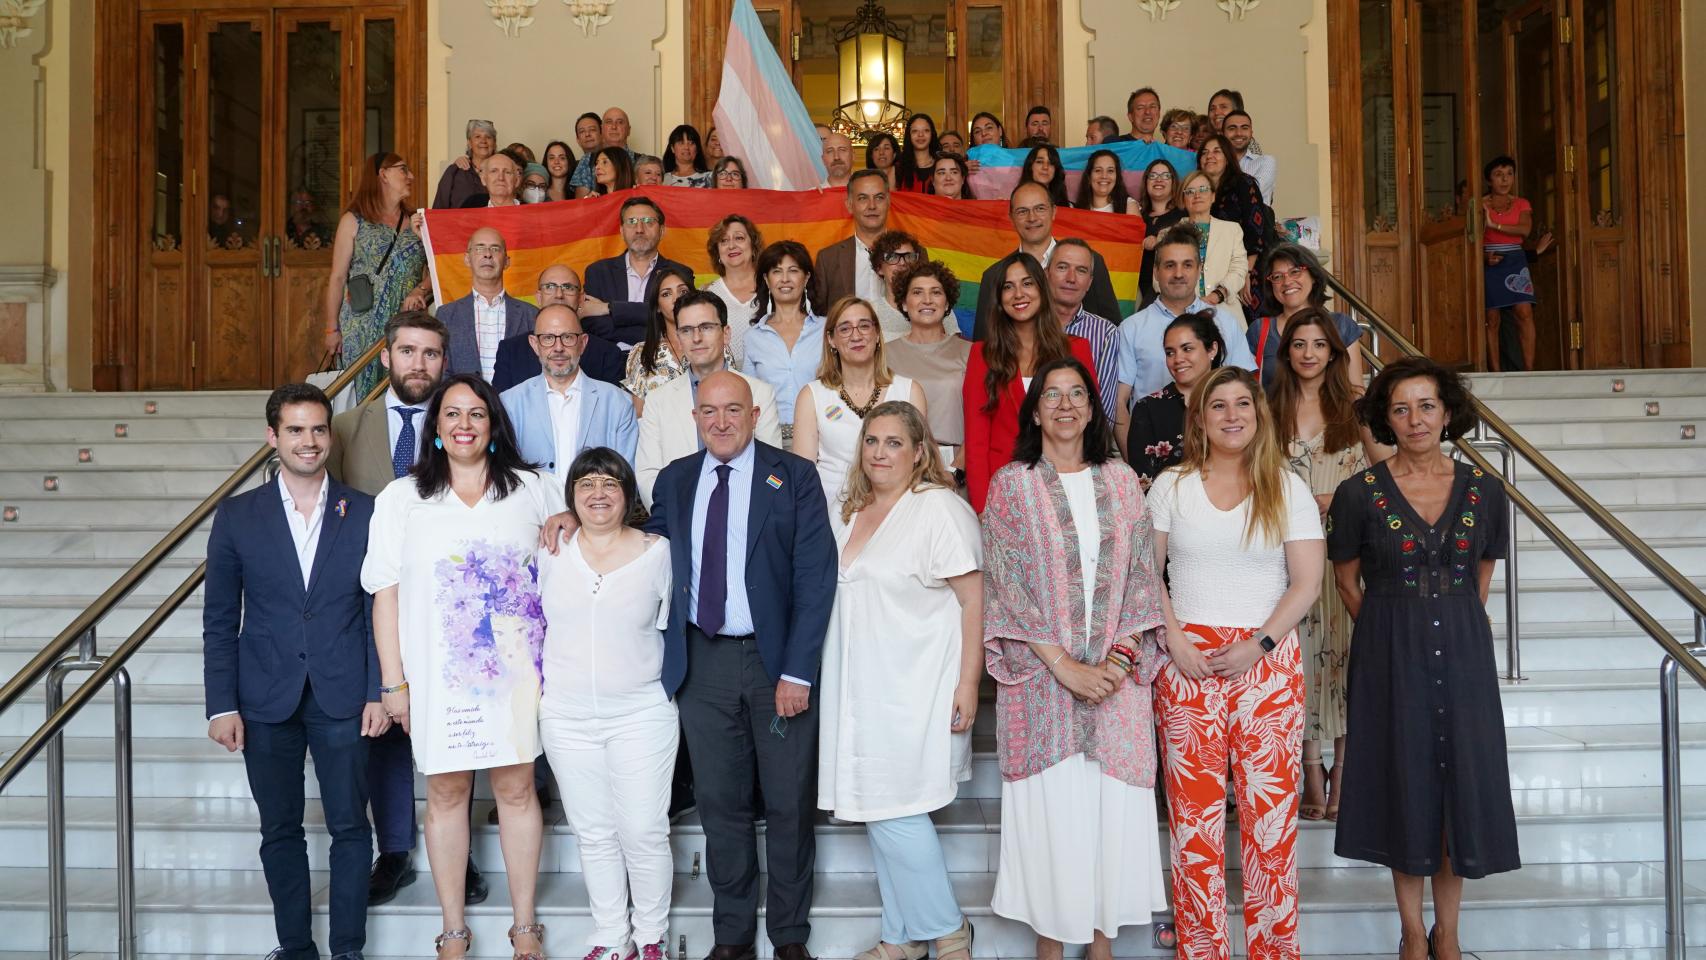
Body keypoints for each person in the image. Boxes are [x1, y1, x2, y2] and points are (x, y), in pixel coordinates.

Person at [362, 375, 562, 960]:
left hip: (520, 676)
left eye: (476, 413)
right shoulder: (402, 498)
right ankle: (452, 929)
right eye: (452, 414)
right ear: (436, 427)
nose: (464, 424)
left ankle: (525, 926)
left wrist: (569, 520)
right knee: (446, 794)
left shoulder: (535, 488)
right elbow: (386, 594)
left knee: (518, 789)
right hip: (436, 677)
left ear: (493, 424)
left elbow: (570, 556)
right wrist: (393, 682)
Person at [1329, 356, 1520, 960]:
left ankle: (1450, 933)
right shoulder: (1358, 494)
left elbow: (1481, 575)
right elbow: (1346, 581)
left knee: (1457, 785)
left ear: (1447, 412)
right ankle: (1413, 932)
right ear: (1385, 418)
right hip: (1388, 653)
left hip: (1463, 650)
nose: (1415, 420)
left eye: (1427, 406)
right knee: (1402, 784)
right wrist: (1391, 628)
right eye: (1401, 408)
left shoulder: (1486, 490)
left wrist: (1448, 618)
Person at [642, 369, 837, 960]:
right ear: (695, 418)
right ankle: (731, 936)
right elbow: (643, 551)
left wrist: (798, 672)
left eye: (733, 410)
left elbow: (815, 577)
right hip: (702, 665)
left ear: (755, 416)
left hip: (776, 668)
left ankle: (789, 936)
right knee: (721, 804)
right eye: (709, 412)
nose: (720, 422)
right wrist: (573, 523)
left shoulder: (794, 477)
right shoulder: (675, 481)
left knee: (787, 802)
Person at [982, 358, 1170, 957]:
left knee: (1108, 821)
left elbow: (1144, 578)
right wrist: (1066, 667)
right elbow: (1007, 586)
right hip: (1043, 687)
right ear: (1034, 411)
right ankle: (1051, 949)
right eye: (1051, 395)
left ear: (1092, 408)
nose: (1065, 405)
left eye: (1077, 395)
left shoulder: (1121, 480)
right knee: (1054, 826)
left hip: (1118, 690)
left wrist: (1113, 666)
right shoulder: (1012, 484)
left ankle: (1102, 949)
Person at [204, 383, 385, 960]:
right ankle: (295, 948)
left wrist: (380, 691)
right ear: (272, 438)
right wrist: (221, 704)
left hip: (343, 694)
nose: (309, 441)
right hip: (265, 696)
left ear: (329, 435)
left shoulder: (364, 510)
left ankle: (347, 949)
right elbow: (218, 618)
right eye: (295, 430)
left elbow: (379, 607)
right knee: (279, 830)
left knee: (351, 830)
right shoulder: (237, 516)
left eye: (317, 429)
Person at [1149, 365, 1323, 960]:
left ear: (1258, 414)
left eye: (1241, 405)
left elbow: (1306, 582)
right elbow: (1148, 575)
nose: (1231, 416)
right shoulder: (1171, 485)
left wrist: (1260, 644)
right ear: (1199, 418)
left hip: (1267, 666)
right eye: (1217, 405)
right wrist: (1173, 638)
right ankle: (1202, 952)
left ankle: (1275, 952)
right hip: (1187, 664)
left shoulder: (1287, 486)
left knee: (1270, 826)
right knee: (1193, 828)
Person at [325, 312, 497, 903]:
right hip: (374, 600)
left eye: (430, 353)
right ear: (385, 358)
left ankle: (462, 854)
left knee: (462, 728)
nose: (418, 364)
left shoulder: (465, 423)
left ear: (444, 362)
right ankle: (394, 849)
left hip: (455, 607)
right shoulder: (345, 427)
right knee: (385, 726)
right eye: (407, 351)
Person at [817, 401, 980, 960]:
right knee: (875, 804)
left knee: (895, 809)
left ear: (919, 452)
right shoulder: (850, 510)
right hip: (860, 683)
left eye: (893, 442)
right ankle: (901, 939)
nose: (880, 452)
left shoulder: (939, 510)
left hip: (918, 685)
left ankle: (950, 933)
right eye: (872, 441)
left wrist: (967, 684)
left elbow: (973, 600)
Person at [537, 448, 677, 960]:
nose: (599, 493)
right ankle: (609, 936)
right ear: (571, 496)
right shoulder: (550, 551)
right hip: (566, 716)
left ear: (629, 494)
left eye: (610, 483)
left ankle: (650, 937)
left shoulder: (658, 552)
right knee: (593, 832)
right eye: (587, 483)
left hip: (641, 713)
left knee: (642, 829)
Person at [1269, 307, 1388, 822]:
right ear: (1287, 352)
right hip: (1284, 555)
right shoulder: (1267, 407)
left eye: (1319, 344)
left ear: (1335, 353)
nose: (1309, 353)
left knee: (1342, 658)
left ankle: (1344, 770)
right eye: (1299, 344)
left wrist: (1340, 497)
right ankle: (1308, 768)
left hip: (1345, 553)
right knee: (1300, 657)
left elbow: (1389, 472)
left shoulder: (1358, 407)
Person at [963, 252, 1097, 513]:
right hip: (1005, 493)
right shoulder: (983, 355)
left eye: (1027, 283)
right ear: (1000, 299)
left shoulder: (1076, 350)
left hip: (1068, 487)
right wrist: (983, 509)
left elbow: (1091, 425)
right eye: (1008, 287)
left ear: (1042, 288)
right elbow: (976, 441)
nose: (1018, 294)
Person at [634, 292, 782, 506]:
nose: (696, 338)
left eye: (706, 327)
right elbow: (649, 475)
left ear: (726, 333)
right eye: (686, 330)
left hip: (746, 517)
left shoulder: (760, 393)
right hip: (679, 520)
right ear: (678, 337)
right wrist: (677, 519)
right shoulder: (658, 401)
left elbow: (770, 469)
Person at [791, 296, 926, 519]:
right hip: (830, 514)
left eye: (864, 326)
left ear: (876, 335)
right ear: (831, 340)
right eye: (845, 329)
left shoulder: (910, 391)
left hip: (896, 513)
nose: (856, 335)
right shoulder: (812, 395)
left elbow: (920, 466)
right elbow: (803, 476)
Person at [1113, 225, 1255, 433]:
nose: (1178, 274)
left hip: (1218, 449)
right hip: (1152, 448)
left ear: (1199, 269)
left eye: (1187, 265)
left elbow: (1248, 392)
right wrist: (1136, 461)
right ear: (1156, 271)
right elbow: (1118, 404)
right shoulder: (1130, 328)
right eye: (1170, 265)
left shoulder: (1225, 323)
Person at [324, 152, 429, 399]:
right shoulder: (353, 221)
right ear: (383, 174)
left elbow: (437, 270)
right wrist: (331, 330)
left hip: (406, 326)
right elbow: (337, 278)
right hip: (360, 328)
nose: (410, 176)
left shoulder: (419, 222)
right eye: (403, 169)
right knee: (361, 398)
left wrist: (420, 290)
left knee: (404, 393)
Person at [971, 182, 1119, 341]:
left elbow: (1113, 328)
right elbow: (983, 342)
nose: (1032, 218)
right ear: (1011, 218)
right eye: (1022, 211)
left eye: (1040, 208)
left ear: (1054, 211)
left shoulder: (1091, 261)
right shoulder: (993, 275)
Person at [501, 304, 639, 472]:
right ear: (534, 344)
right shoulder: (509, 403)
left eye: (567, 337)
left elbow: (625, 477)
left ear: (583, 343)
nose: (558, 348)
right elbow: (505, 474)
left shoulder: (618, 403)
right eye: (548, 338)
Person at [1121, 310, 1225, 482]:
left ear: (1212, 349)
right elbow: (1143, 485)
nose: (1178, 359)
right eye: (1170, 352)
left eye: (1187, 349)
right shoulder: (1148, 408)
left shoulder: (1235, 401)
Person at [885, 260, 971, 466]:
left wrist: (958, 468)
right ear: (904, 303)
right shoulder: (885, 354)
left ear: (947, 302)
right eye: (917, 292)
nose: (927, 300)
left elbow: (983, 420)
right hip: (899, 463)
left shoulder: (970, 352)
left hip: (956, 465)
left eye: (936, 292)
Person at [1247, 243, 1365, 389]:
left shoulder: (1341, 325)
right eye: (1277, 276)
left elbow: (1356, 390)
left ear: (1314, 276)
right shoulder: (1259, 330)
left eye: (1295, 272)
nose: (1287, 282)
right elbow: (1251, 393)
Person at [492, 265, 627, 392]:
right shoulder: (510, 350)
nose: (559, 294)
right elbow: (500, 410)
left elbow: (611, 408)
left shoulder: (608, 353)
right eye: (550, 287)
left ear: (581, 298)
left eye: (568, 287)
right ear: (538, 297)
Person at [744, 240, 825, 446]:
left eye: (793, 270)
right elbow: (749, 394)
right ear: (766, 279)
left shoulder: (826, 330)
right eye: (777, 271)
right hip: (768, 438)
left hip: (820, 436)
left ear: (806, 277)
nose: (785, 279)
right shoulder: (754, 336)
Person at [583, 196, 690, 349]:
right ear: (621, 230)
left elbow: (680, 318)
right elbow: (592, 324)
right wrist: (655, 322)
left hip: (663, 361)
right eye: (631, 222)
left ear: (662, 230)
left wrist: (610, 308)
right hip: (610, 364)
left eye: (648, 222)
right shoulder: (598, 272)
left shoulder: (680, 273)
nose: (639, 229)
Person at [624, 263, 729, 412]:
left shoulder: (715, 342)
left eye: (683, 291)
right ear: (658, 306)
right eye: (666, 294)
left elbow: (733, 393)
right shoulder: (641, 352)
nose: (676, 299)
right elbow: (639, 416)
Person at [439, 227, 538, 382]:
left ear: (506, 261)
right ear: (467, 259)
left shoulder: (531, 314)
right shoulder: (446, 315)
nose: (487, 254)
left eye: (495, 248)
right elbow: (440, 370)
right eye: (479, 248)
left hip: (516, 405)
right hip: (463, 404)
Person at [1047, 239, 1119, 419]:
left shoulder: (1106, 333)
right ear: (1046, 274)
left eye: (1081, 270)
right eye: (1062, 267)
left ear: (1089, 282)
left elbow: (1103, 412)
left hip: (1084, 444)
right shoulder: (1025, 326)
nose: (1071, 278)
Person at [1481, 155, 1537, 372]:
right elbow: (1470, 237)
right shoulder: (1480, 204)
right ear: (1489, 180)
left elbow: (1524, 230)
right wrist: (1484, 258)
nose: (1504, 180)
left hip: (1515, 259)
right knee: (1492, 317)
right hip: (1490, 260)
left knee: (1524, 311)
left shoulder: (1522, 204)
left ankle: (1529, 371)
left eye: (1509, 174)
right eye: (1498, 175)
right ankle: (1495, 371)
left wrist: (1494, 224)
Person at [1200, 135, 1269, 303]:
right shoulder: (1197, 190)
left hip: (1247, 267)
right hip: (1214, 269)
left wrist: (1245, 272)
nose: (1210, 156)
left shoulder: (1243, 183)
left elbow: (1257, 231)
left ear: (1228, 158)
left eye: (1217, 151)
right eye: (1204, 152)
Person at [814, 169, 891, 310]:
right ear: (849, 205)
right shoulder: (828, 259)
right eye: (863, 198)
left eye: (879, 197)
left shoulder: (913, 254)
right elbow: (819, 317)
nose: (872, 206)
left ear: (888, 202)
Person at [1180, 169, 1250, 310]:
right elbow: (1159, 279)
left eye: (1203, 189)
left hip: (1224, 307)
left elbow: (1239, 269)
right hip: (1183, 310)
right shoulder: (1168, 233)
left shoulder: (1232, 230)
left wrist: (1218, 294)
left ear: (1213, 196)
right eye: (1190, 191)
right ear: (1183, 200)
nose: (1197, 195)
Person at [704, 214, 764, 365]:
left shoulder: (772, 288)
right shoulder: (706, 295)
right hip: (724, 381)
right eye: (724, 241)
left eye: (739, 238)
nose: (731, 246)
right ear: (717, 252)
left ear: (753, 246)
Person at [1138, 159, 1186, 308]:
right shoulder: (1136, 216)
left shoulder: (1183, 214)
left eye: (1165, 176)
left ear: (1173, 182)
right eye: (1152, 176)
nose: (1158, 179)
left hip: (1169, 290)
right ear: (1146, 182)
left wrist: (1160, 239)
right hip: (1136, 289)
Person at [866, 230, 923, 340]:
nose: (902, 263)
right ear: (879, 268)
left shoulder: (935, 307)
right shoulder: (868, 313)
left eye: (909, 256)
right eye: (892, 257)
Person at [572, 108, 636, 197]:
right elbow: (581, 204)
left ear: (629, 130)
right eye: (609, 122)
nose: (614, 127)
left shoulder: (642, 161)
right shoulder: (589, 159)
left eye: (620, 122)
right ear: (601, 129)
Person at [433, 119, 496, 209]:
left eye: (488, 137)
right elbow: (439, 208)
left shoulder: (502, 172)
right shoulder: (455, 171)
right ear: (469, 143)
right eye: (477, 137)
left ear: (494, 143)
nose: (483, 141)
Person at [1224, 110, 1275, 207]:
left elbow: (1251, 194)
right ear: (1223, 134)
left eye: (1244, 128)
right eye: (1232, 128)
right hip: (1220, 222)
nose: (1238, 133)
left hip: (1255, 221)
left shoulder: (1266, 161)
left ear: (1251, 133)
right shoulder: (1216, 163)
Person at [1076, 148, 1139, 214]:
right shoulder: (1077, 210)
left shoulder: (1128, 206)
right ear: (1089, 176)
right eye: (1098, 170)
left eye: (1110, 171)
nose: (1104, 176)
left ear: (1117, 177)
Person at [457, 149, 524, 208]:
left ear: (517, 180)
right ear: (483, 179)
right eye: (494, 171)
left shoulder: (532, 214)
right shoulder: (469, 208)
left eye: (507, 172)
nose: (501, 178)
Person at [896, 113, 940, 192]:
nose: (920, 135)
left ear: (932, 134)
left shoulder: (941, 164)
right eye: (915, 131)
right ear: (909, 135)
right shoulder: (898, 168)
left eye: (926, 130)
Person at [1017, 144, 1071, 208]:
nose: (1045, 167)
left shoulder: (1070, 208)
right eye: (1039, 162)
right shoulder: (1014, 203)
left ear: (1056, 170)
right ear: (1030, 167)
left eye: (1051, 163)